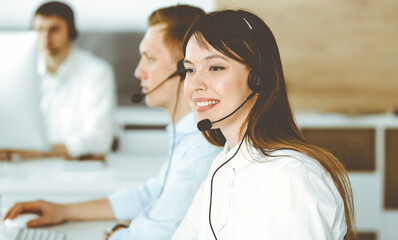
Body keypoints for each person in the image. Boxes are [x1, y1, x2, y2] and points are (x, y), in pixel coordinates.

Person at [3, 5, 221, 240]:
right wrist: (65, 210)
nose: (139, 72)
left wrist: (113, 233)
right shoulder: (186, 135)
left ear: (184, 69)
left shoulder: (202, 149)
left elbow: (159, 233)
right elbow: (152, 193)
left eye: (150, 58)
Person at [172, 10, 356, 240]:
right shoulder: (223, 166)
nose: (195, 84)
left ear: (258, 79)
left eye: (215, 67)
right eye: (190, 70)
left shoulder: (293, 176)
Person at [0, 1, 116, 160]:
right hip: (25, 167)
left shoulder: (96, 72)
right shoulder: (17, 73)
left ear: (71, 31)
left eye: (53, 29)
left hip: (74, 171)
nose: (45, 37)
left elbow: (100, 140)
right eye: (39, 30)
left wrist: (40, 151)